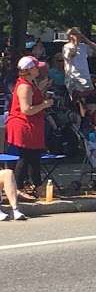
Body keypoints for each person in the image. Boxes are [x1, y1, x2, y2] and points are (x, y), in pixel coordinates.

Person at [6, 56, 53, 199]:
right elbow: (26, 109)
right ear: (29, 70)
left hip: (32, 125)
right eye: (35, 67)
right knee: (25, 157)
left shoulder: (30, 83)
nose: (38, 69)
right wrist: (45, 104)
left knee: (34, 157)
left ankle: (38, 187)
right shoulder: (24, 86)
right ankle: (18, 188)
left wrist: (43, 89)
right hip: (24, 126)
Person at [62, 27, 96, 98]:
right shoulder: (67, 47)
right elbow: (71, 55)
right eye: (76, 34)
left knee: (90, 99)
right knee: (78, 100)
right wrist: (75, 43)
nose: (78, 36)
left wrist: (86, 40)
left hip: (85, 77)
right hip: (73, 78)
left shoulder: (83, 46)